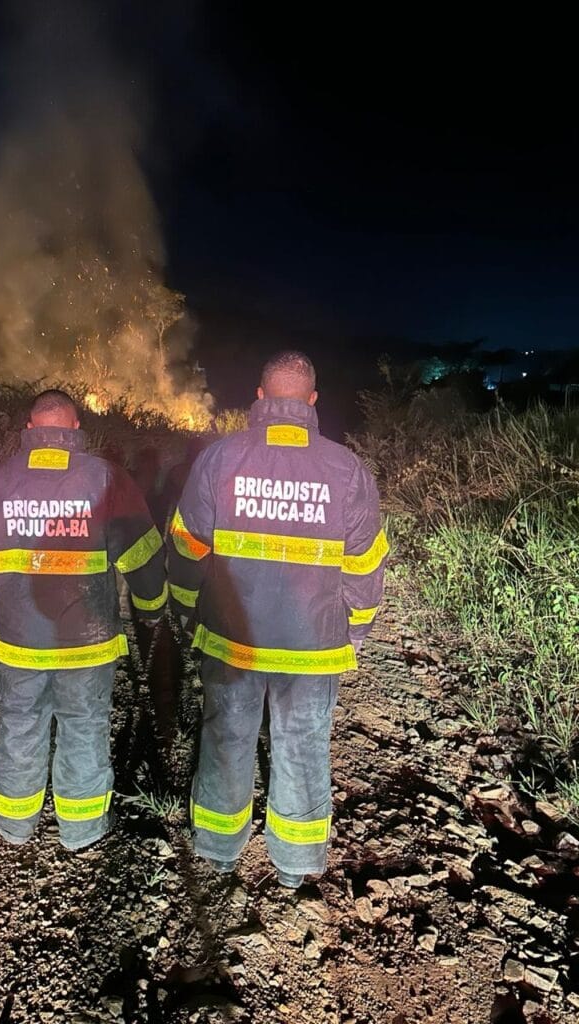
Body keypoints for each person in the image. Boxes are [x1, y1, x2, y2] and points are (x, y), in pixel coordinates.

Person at [167, 351, 388, 889]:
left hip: (231, 640)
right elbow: (365, 565)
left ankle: (219, 850)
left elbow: (185, 548)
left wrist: (185, 607)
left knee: (226, 738)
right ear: (313, 402)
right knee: (305, 745)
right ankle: (295, 864)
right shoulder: (347, 469)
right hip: (313, 649)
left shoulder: (220, 459)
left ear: (260, 397)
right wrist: (354, 628)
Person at [0, 390, 166, 849]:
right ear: (76, 429)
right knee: (84, 727)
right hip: (87, 644)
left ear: (30, 430)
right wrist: (150, 608)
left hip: (17, 641)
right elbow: (143, 558)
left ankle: (14, 826)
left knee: (20, 724)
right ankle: (80, 831)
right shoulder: (107, 479)